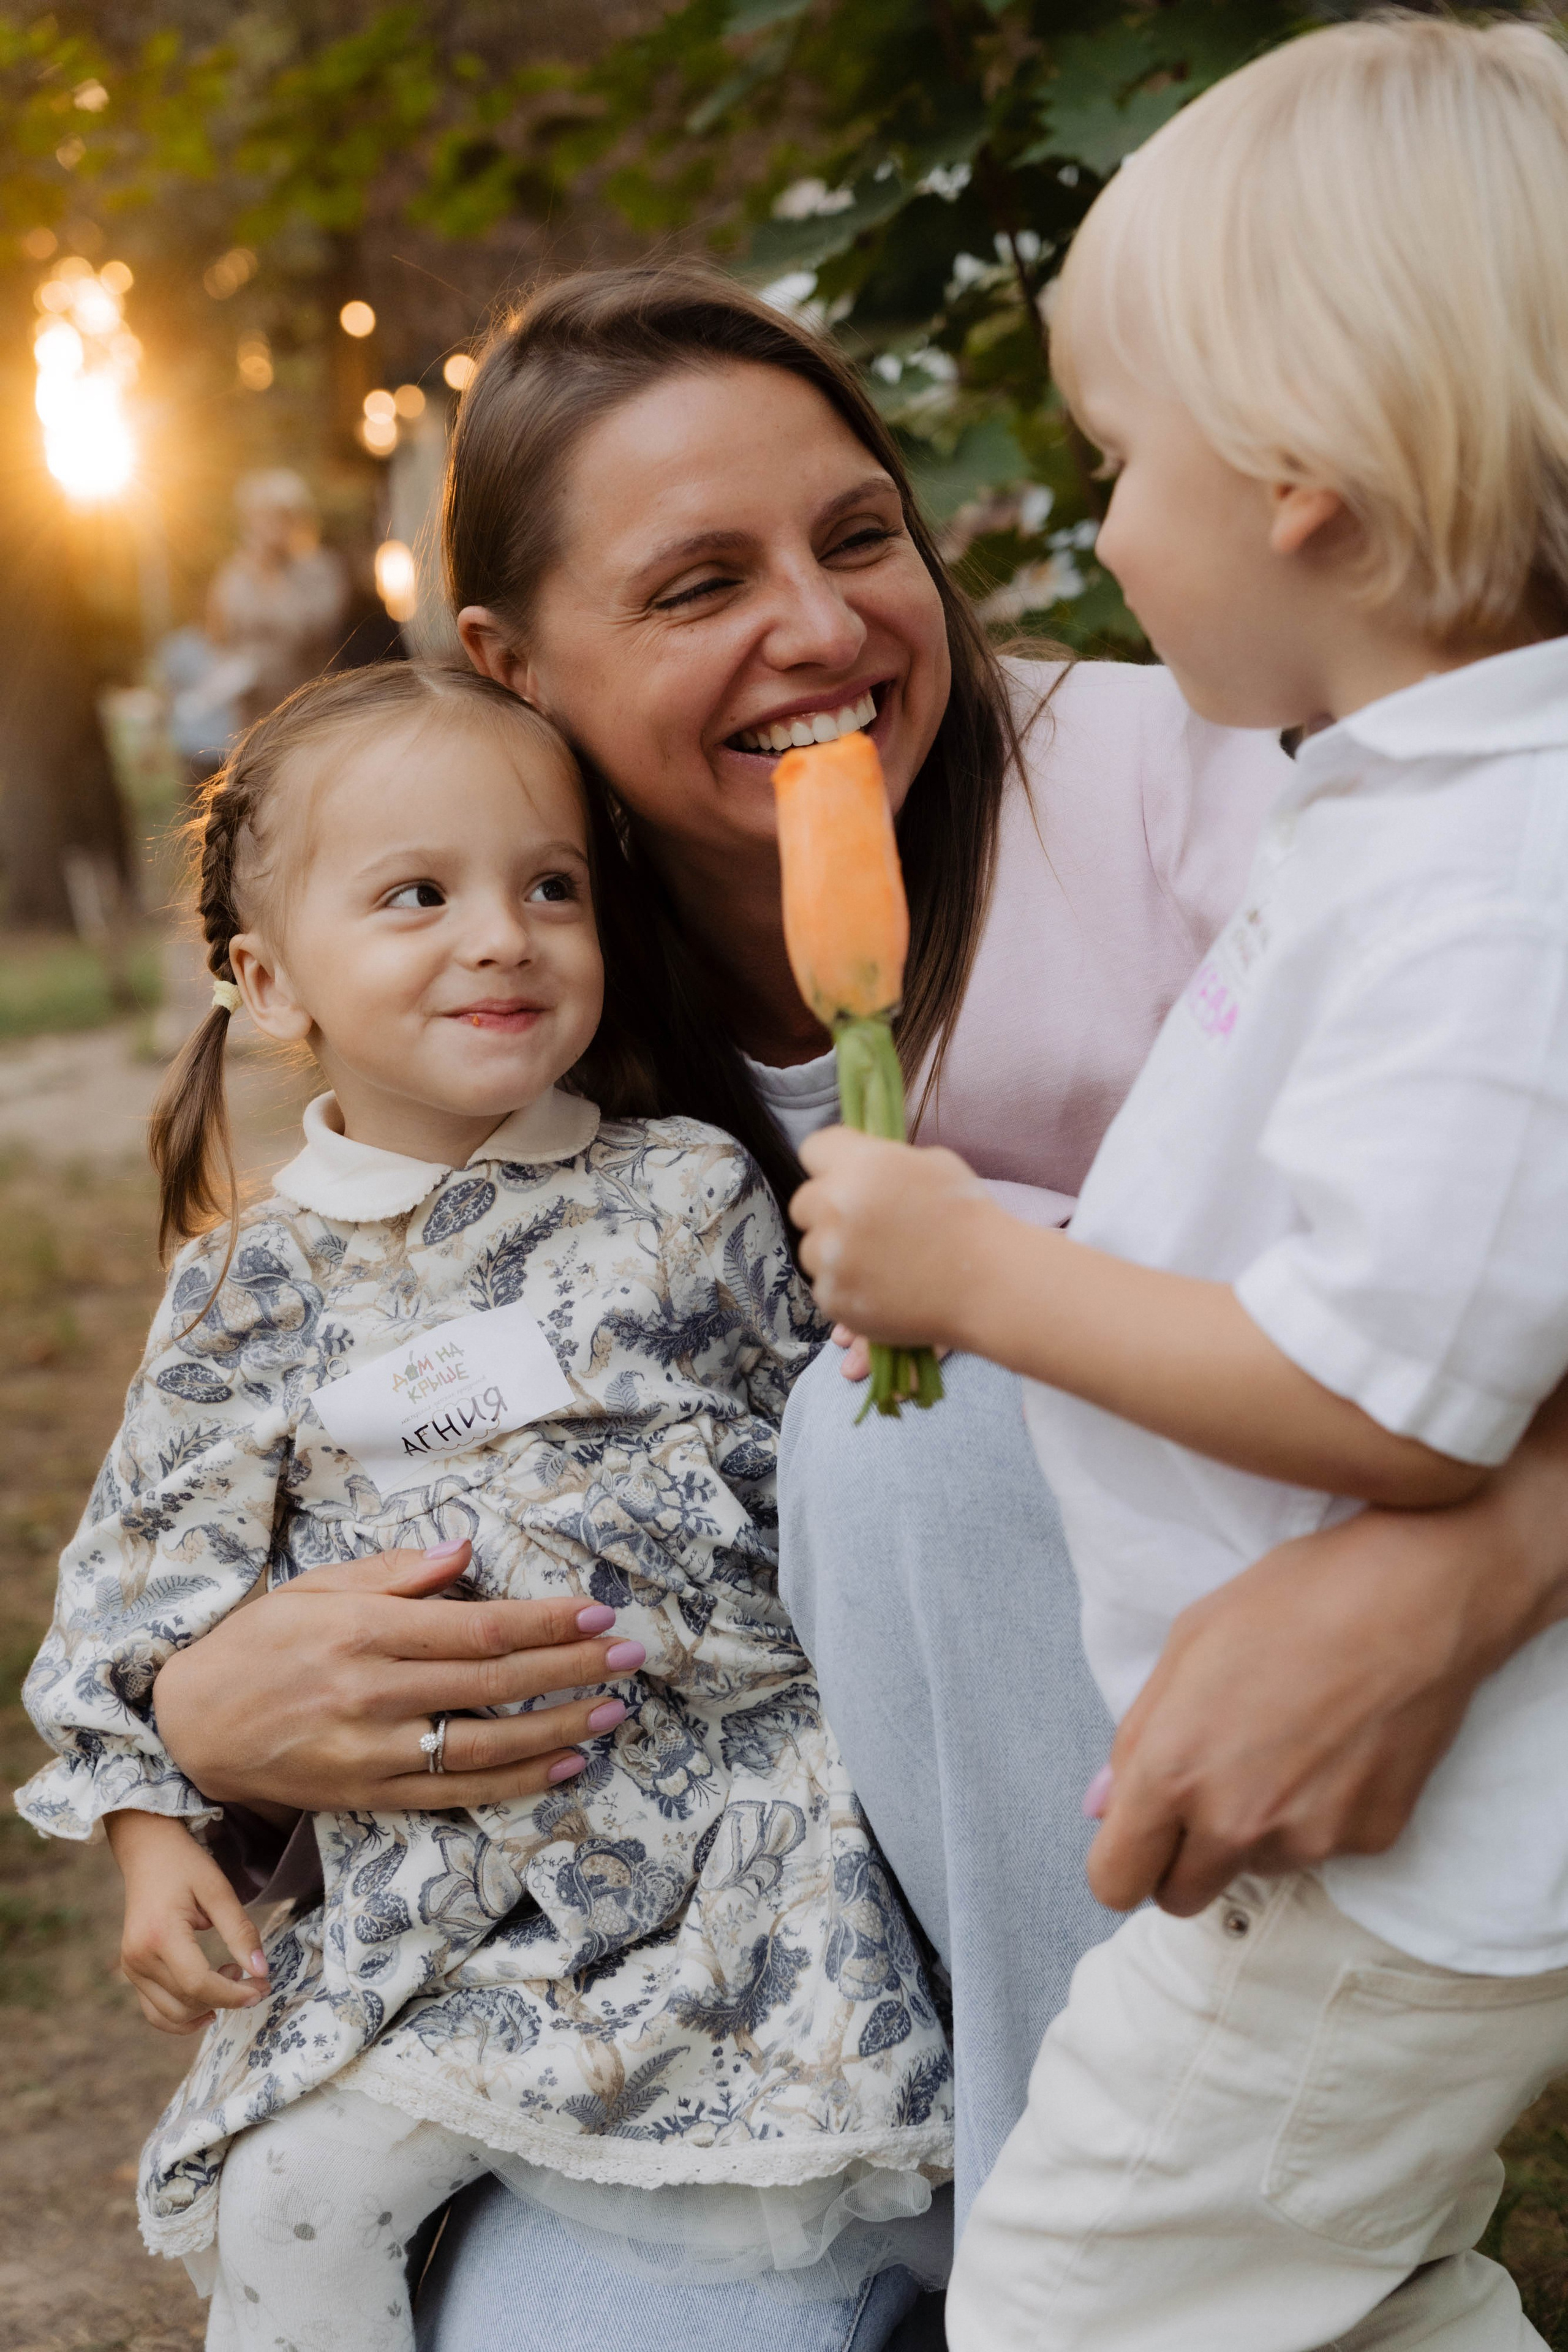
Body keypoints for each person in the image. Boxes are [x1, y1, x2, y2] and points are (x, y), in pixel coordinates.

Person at [135, 265, 1568, 2350]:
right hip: (720, 1973)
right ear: (510, 662)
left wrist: (1478, 1563)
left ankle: (1103, 2260)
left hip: (1201, 1847)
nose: (819, 629)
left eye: (860, 538)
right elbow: (304, 1427)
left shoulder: (1204, 785)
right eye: (701, 581)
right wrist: (196, 1728)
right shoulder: (506, 986)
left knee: (919, 1432)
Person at [792, 20, 1568, 2347]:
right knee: (1324, 2294)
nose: (1093, 531)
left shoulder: (1493, 874)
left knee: (1071, 2302)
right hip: (1350, 1863)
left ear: (1299, 488)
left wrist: (976, 1270)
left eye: (1117, 461)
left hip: (1395, 1864)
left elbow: (1393, 1395)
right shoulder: (1404, 803)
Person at [16, 662, 948, 2352]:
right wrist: (153, 1844)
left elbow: (833, 1455)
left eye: (549, 887)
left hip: (728, 1835)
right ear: (267, 977)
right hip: (443, 1899)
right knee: (286, 2201)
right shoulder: (253, 1288)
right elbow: (145, 1590)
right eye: (417, 896)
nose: (503, 935)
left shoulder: (685, 1188)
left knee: (784, 2203)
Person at [208, 470, 349, 728]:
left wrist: (270, 576)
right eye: (260, 516)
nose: (268, 526)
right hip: (251, 709)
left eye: (278, 517)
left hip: (305, 703)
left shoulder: (320, 569)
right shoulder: (235, 574)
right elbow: (220, 635)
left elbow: (307, 631)